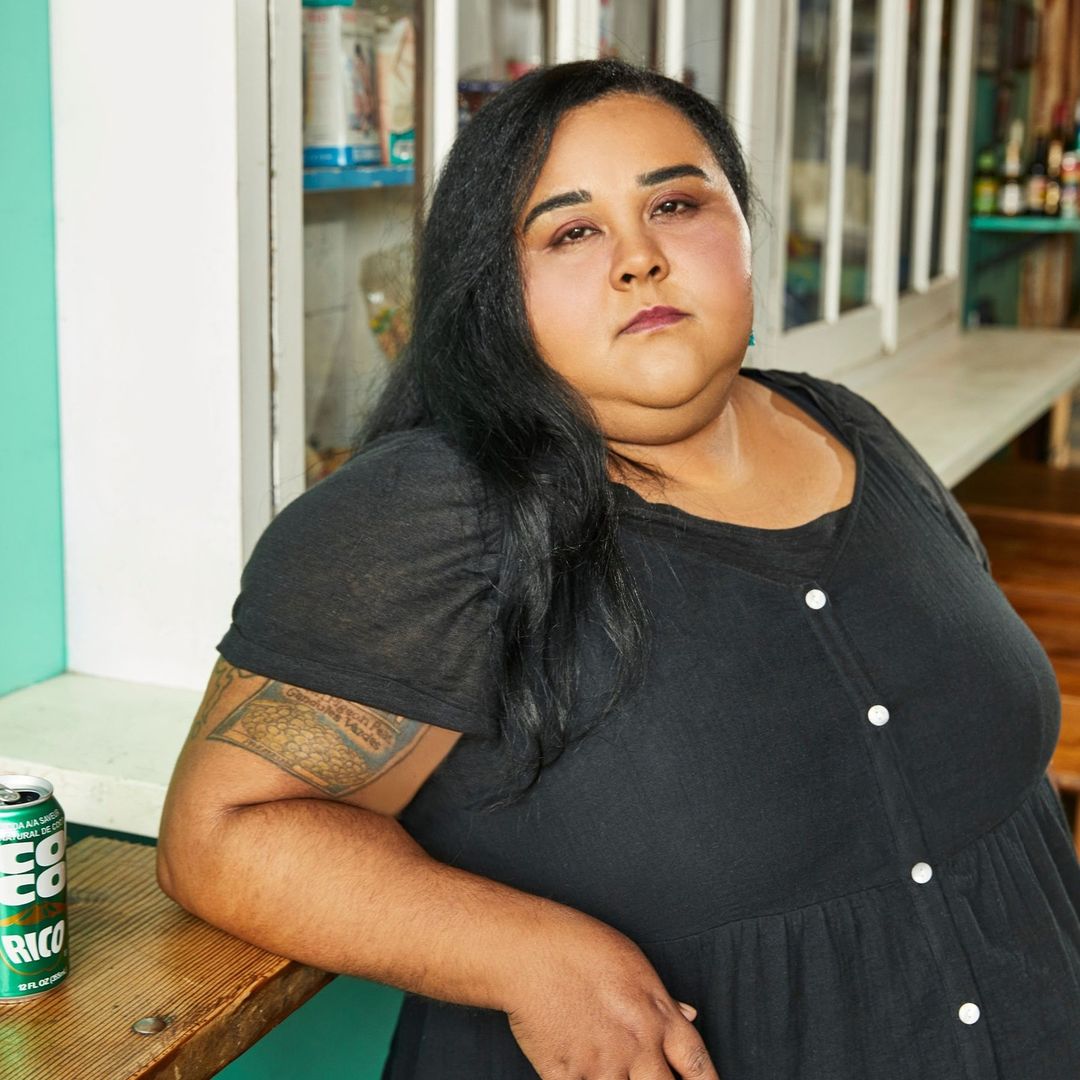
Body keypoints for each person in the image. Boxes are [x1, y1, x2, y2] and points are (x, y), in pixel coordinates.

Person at [157, 59, 1080, 1080]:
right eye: (571, 232)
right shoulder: (433, 517)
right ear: (494, 294)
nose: (639, 259)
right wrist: (526, 954)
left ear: (743, 230)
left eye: (675, 205)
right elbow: (222, 833)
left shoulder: (850, 429)